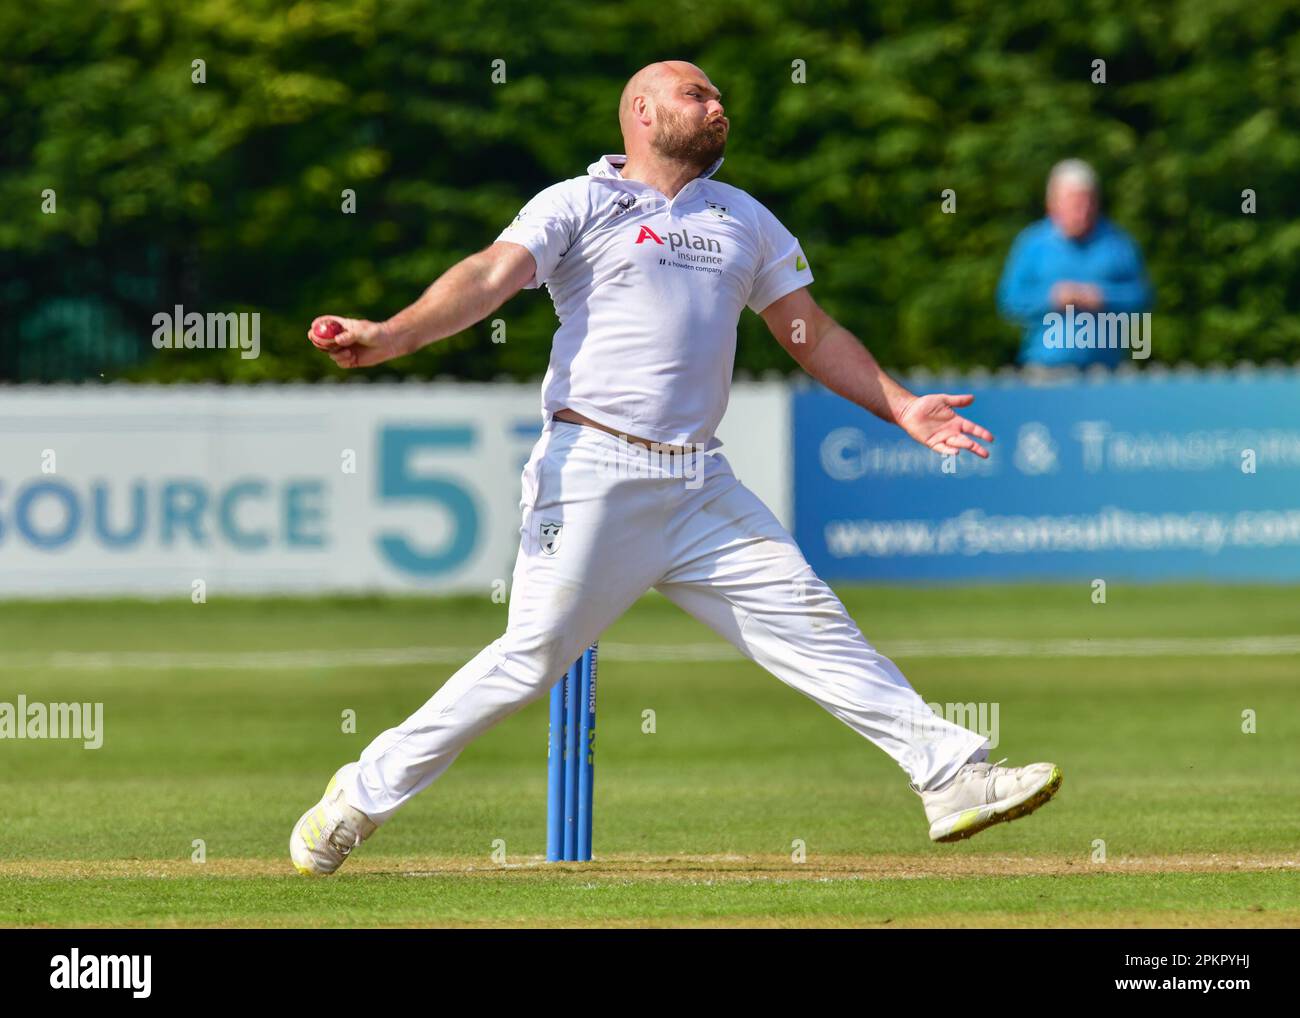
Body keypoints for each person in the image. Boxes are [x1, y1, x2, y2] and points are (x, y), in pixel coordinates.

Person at [291, 61, 1061, 875]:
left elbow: (810, 331)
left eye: (720, 94)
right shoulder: (579, 202)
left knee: (812, 620)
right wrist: (395, 333)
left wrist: (901, 405)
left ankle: (950, 777)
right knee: (531, 657)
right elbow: (490, 274)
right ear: (643, 113)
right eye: (698, 94)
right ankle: (359, 797)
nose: (718, 104)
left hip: (700, 481)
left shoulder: (746, 217)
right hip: (593, 468)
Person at [998, 159, 1153, 367]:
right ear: (1052, 204)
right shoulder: (1032, 244)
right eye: (1074, 203)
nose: (1083, 211)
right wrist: (1052, 297)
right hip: (1045, 369)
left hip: (1106, 370)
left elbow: (1142, 296)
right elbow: (1009, 300)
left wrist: (1104, 297)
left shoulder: (1118, 243)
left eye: (1088, 202)